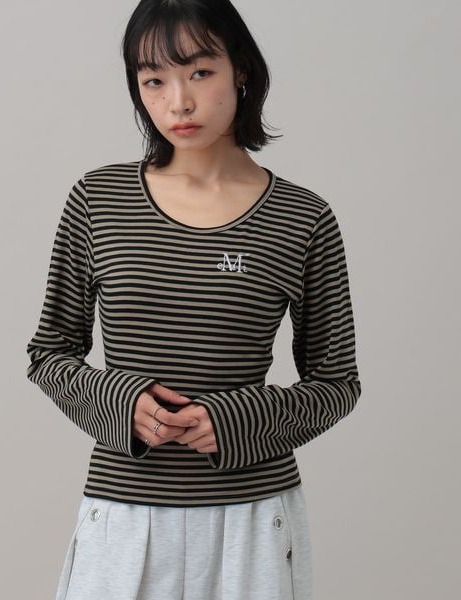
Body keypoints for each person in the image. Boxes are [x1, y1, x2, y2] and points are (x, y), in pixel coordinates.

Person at [25, 1, 362, 599]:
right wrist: (121, 402)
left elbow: (337, 383)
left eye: (200, 72)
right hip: (124, 515)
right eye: (153, 80)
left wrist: (235, 421)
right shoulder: (98, 200)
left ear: (241, 71)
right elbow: (48, 354)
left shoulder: (302, 218)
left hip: (252, 519)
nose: (178, 102)